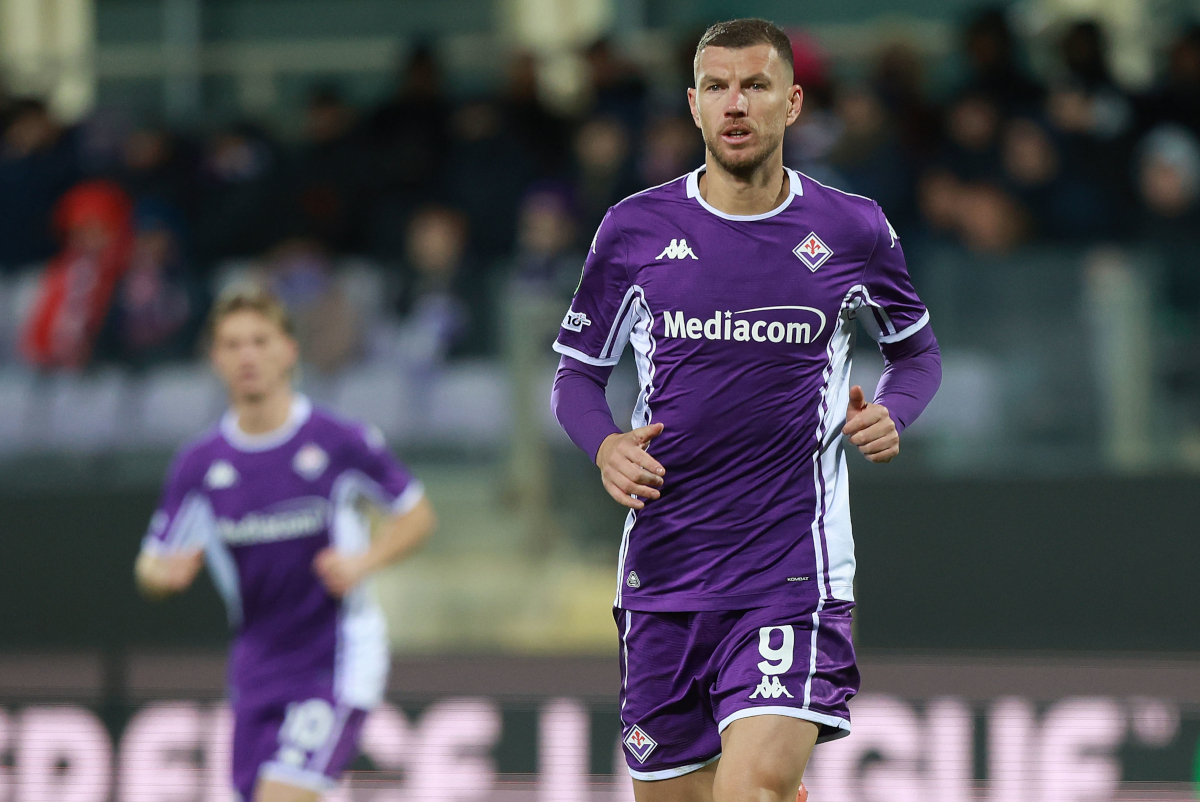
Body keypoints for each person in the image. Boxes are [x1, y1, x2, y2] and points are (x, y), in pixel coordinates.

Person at [550, 18, 941, 802]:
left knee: (750, 790)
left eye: (756, 86)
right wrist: (604, 448)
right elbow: (576, 377)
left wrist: (893, 411)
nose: (737, 105)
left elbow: (917, 353)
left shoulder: (851, 228)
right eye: (718, 88)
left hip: (790, 573)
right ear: (693, 106)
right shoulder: (635, 230)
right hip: (664, 577)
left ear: (791, 103)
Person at [134, 286, 436, 802]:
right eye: (232, 344)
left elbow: (416, 513)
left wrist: (365, 561)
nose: (247, 355)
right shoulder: (200, 464)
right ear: (214, 358)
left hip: (336, 657)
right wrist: (163, 576)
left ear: (288, 350)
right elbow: (150, 563)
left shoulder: (335, 439)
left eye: (260, 340)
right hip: (256, 664)